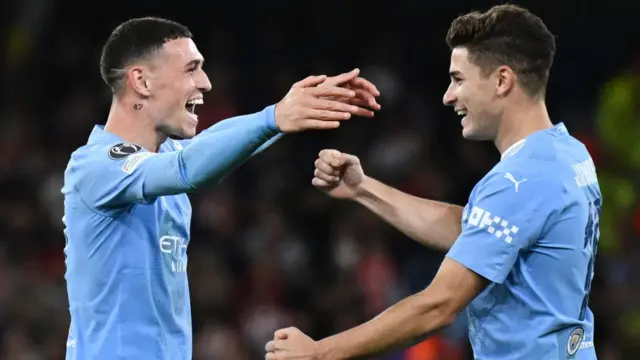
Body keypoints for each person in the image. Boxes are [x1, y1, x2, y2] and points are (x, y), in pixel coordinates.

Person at [266, 4, 600, 360]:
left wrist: (319, 352)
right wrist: (363, 188)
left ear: (502, 80)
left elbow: (438, 306)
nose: (448, 95)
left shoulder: (521, 180)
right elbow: (479, 232)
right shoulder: (567, 153)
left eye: (458, 79)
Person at [61, 17, 380, 360]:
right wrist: (273, 117)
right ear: (141, 81)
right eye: (191, 69)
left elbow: (203, 146)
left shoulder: (164, 155)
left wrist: (283, 116)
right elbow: (186, 169)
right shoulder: (95, 166)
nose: (206, 82)